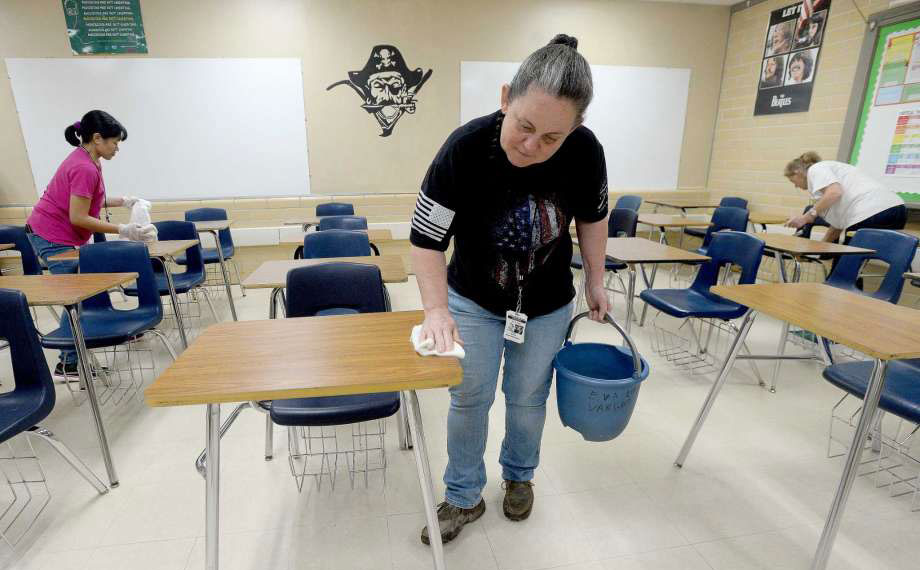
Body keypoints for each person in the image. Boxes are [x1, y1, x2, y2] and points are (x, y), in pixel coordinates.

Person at [410, 34, 610, 545]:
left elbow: (592, 217)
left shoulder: (585, 153)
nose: (532, 145)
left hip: (544, 304)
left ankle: (519, 477)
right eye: (524, 126)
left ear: (575, 129)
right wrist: (435, 310)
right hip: (473, 300)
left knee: (527, 398)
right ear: (505, 98)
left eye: (551, 138)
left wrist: (595, 278)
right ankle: (462, 496)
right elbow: (427, 239)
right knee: (469, 398)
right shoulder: (464, 149)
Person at [26, 109, 155, 378]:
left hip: (55, 232)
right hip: (50, 235)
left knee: (85, 288)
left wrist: (122, 201)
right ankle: (68, 363)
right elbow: (78, 215)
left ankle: (92, 342)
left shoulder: (88, 160)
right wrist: (124, 229)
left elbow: (84, 200)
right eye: (114, 142)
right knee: (77, 296)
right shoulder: (84, 166)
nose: (117, 148)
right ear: (97, 138)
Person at [784, 151, 906, 245]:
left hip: (872, 211)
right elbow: (838, 224)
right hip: (896, 210)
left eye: (792, 181)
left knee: (845, 265)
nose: (795, 185)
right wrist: (821, 246)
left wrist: (806, 217)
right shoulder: (832, 175)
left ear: (797, 172)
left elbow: (835, 192)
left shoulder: (815, 169)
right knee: (848, 263)